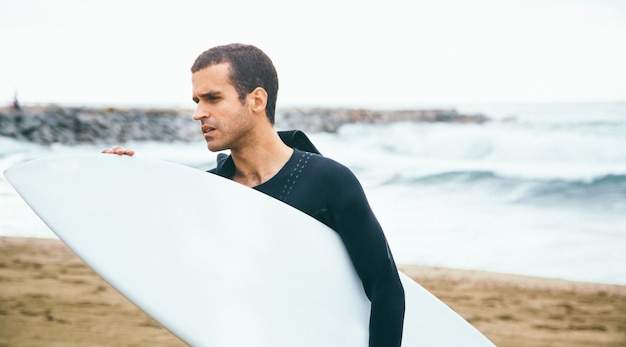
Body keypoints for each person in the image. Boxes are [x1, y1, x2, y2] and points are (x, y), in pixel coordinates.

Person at [103, 43, 405, 347]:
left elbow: (385, 287)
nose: (198, 114)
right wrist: (125, 181)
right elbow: (151, 251)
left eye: (212, 98)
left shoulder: (328, 181)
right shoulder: (208, 191)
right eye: (196, 101)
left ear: (257, 100)